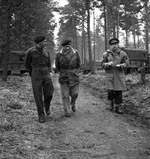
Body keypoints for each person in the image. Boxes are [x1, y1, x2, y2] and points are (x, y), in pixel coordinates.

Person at [25, 36, 54, 123]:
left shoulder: (46, 52)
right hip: (36, 73)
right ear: (39, 42)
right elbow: (27, 64)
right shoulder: (30, 51)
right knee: (38, 95)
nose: (45, 43)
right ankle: (41, 115)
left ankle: (47, 105)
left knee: (49, 93)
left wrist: (48, 71)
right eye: (44, 41)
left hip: (46, 73)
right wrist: (32, 72)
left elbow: (49, 64)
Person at [101, 38, 129, 114]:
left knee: (118, 92)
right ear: (110, 45)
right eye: (113, 44)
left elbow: (127, 63)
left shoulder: (123, 54)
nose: (114, 45)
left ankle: (118, 107)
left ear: (118, 44)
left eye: (116, 44)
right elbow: (102, 64)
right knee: (110, 91)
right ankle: (111, 104)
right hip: (109, 76)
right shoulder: (106, 54)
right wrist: (108, 64)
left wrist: (121, 65)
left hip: (119, 75)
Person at [55, 39, 81, 117]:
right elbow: (57, 66)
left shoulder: (75, 53)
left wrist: (75, 71)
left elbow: (78, 64)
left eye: (68, 46)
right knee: (65, 95)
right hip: (64, 76)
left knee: (75, 93)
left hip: (74, 75)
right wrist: (63, 72)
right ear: (63, 47)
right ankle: (67, 110)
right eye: (66, 46)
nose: (67, 48)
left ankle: (73, 103)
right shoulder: (59, 54)